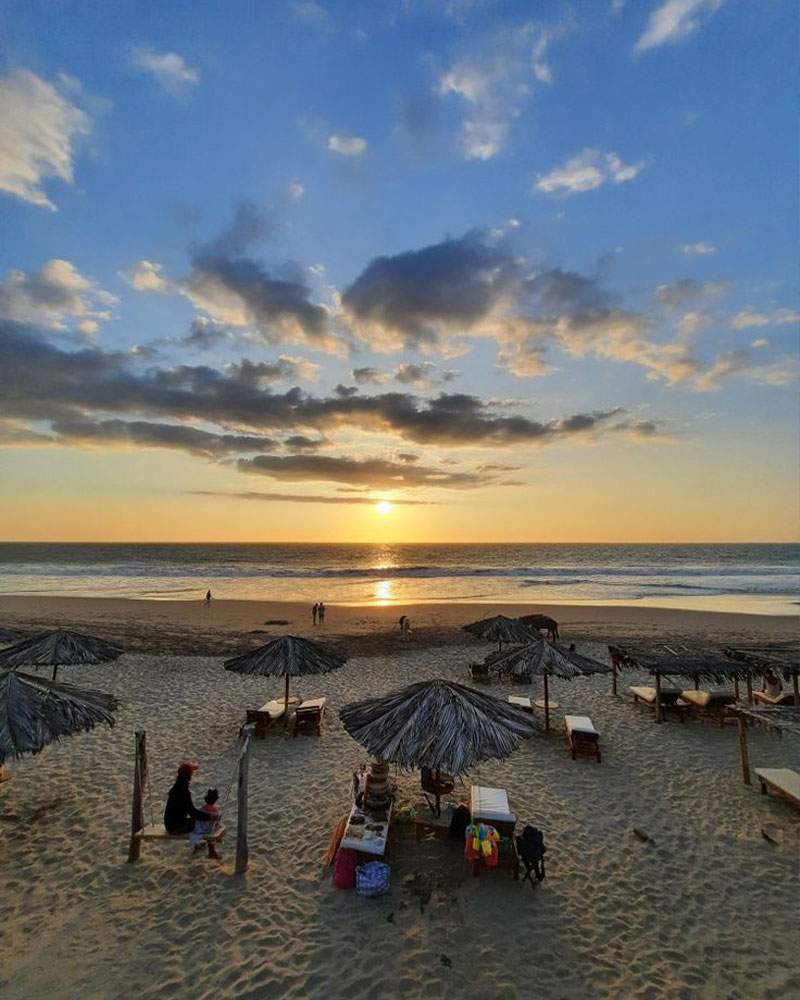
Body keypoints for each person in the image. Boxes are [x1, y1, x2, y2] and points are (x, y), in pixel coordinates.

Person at [164, 762, 206, 836]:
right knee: (203, 825)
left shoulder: (175, 789)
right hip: (176, 828)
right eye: (191, 773)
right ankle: (202, 845)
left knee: (198, 822)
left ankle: (198, 845)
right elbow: (192, 813)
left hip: (169, 826)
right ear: (189, 776)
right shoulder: (184, 791)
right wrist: (208, 817)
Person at [190, 788, 222, 860]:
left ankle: (201, 845)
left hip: (199, 830)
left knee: (208, 827)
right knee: (217, 828)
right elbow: (216, 822)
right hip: (208, 830)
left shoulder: (201, 809)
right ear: (215, 800)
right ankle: (211, 851)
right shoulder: (215, 810)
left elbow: (196, 818)